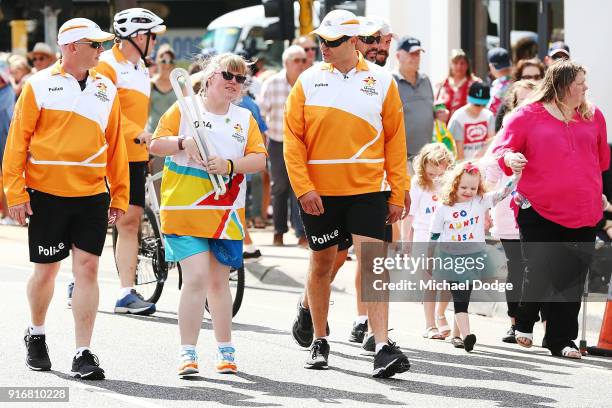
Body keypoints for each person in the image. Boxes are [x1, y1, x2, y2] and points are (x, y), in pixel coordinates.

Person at [284, 9, 410, 378]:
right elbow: (292, 140)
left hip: (369, 188)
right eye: (321, 39)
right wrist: (303, 188)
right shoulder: (307, 81)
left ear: (354, 42)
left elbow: (395, 140)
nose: (323, 46)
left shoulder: (383, 81)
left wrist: (398, 191)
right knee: (323, 264)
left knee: (374, 264)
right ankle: (321, 338)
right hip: (319, 193)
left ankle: (383, 345)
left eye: (332, 41)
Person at [2, 18, 129, 379]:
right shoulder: (38, 85)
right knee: (47, 272)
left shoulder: (107, 88)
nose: (102, 50)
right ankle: (36, 333)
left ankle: (83, 352)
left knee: (87, 268)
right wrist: (15, 191)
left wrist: (119, 192)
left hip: (91, 194)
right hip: (47, 193)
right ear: (72, 46)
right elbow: (17, 142)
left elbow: (115, 143)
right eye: (95, 44)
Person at [149, 52, 267, 376]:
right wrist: (183, 142)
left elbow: (259, 160)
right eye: (228, 75)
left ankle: (225, 348)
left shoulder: (244, 118)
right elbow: (156, 144)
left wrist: (230, 165)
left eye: (240, 78)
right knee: (197, 277)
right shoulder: (185, 109)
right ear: (210, 76)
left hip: (224, 210)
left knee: (218, 281)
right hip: (185, 208)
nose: (233, 83)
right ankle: (187, 352)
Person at [494, 60, 610, 359]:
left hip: (583, 208)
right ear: (561, 85)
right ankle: (523, 320)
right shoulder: (526, 115)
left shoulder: (593, 115)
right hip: (538, 207)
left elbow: (602, 161)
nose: (586, 88)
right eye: (580, 83)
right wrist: (511, 159)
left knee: (571, 276)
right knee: (540, 269)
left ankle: (561, 339)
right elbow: (501, 151)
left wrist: (598, 192)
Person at [92, 7, 166, 315]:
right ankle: (83, 278)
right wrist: (139, 133)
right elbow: (105, 110)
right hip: (108, 154)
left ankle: (125, 292)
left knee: (131, 222)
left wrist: (145, 143)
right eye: (152, 36)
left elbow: (137, 114)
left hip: (134, 154)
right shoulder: (107, 65)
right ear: (137, 36)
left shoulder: (142, 68)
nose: (155, 42)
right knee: (99, 221)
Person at [429, 161, 520, 352]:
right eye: (463, 187)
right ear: (454, 185)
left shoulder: (481, 201)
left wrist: (516, 177)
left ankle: (456, 335)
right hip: (451, 258)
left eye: (473, 187)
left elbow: (502, 193)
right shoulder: (443, 208)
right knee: (460, 296)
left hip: (474, 258)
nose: (468, 191)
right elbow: (434, 235)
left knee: (463, 296)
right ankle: (467, 335)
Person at [484, 80, 538, 343]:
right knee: (517, 267)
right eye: (521, 101)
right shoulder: (506, 133)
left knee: (543, 264)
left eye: (532, 99)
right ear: (512, 106)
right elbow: (489, 170)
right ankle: (515, 322)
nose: (527, 105)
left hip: (541, 208)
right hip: (509, 211)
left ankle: (547, 323)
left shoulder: (547, 127)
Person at [258, 45, 308, 247]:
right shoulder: (272, 83)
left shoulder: (310, 83)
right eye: (297, 60)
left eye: (304, 60)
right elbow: (261, 114)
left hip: (303, 143)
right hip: (278, 141)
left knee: (301, 187)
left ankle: (301, 233)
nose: (302, 64)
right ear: (286, 62)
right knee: (279, 186)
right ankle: (279, 231)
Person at [403, 143, 454, 340]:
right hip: (424, 237)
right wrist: (406, 240)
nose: (434, 177)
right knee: (429, 284)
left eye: (438, 173)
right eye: (430, 173)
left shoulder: (451, 184)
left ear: (447, 166)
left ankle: (441, 314)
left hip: (447, 238)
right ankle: (430, 325)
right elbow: (410, 215)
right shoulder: (418, 184)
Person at [448, 82, 495, 160]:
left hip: (482, 163)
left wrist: (482, 154)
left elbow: (491, 140)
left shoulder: (489, 116)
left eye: (483, 105)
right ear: (468, 99)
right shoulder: (458, 118)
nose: (479, 108)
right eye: (476, 104)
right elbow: (459, 153)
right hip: (464, 165)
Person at [435, 49, 481, 122]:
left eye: (462, 63)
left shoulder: (475, 83)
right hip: (445, 130)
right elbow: (435, 105)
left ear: (467, 65)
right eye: (456, 63)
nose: (459, 66)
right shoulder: (442, 85)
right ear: (451, 65)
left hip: (467, 128)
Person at [147, 44, 176, 133]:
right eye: (164, 61)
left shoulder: (180, 85)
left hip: (174, 135)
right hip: (153, 133)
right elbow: (144, 112)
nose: (167, 64)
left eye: (170, 61)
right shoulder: (150, 84)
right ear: (158, 61)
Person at [0, 55, 15, 223]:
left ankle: (9, 214)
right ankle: (5, 214)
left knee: (7, 175)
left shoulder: (7, 91)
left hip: (6, 137)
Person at [487, 47, 513, 116]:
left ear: (491, 66)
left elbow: (490, 114)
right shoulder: (519, 82)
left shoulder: (498, 89)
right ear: (510, 63)